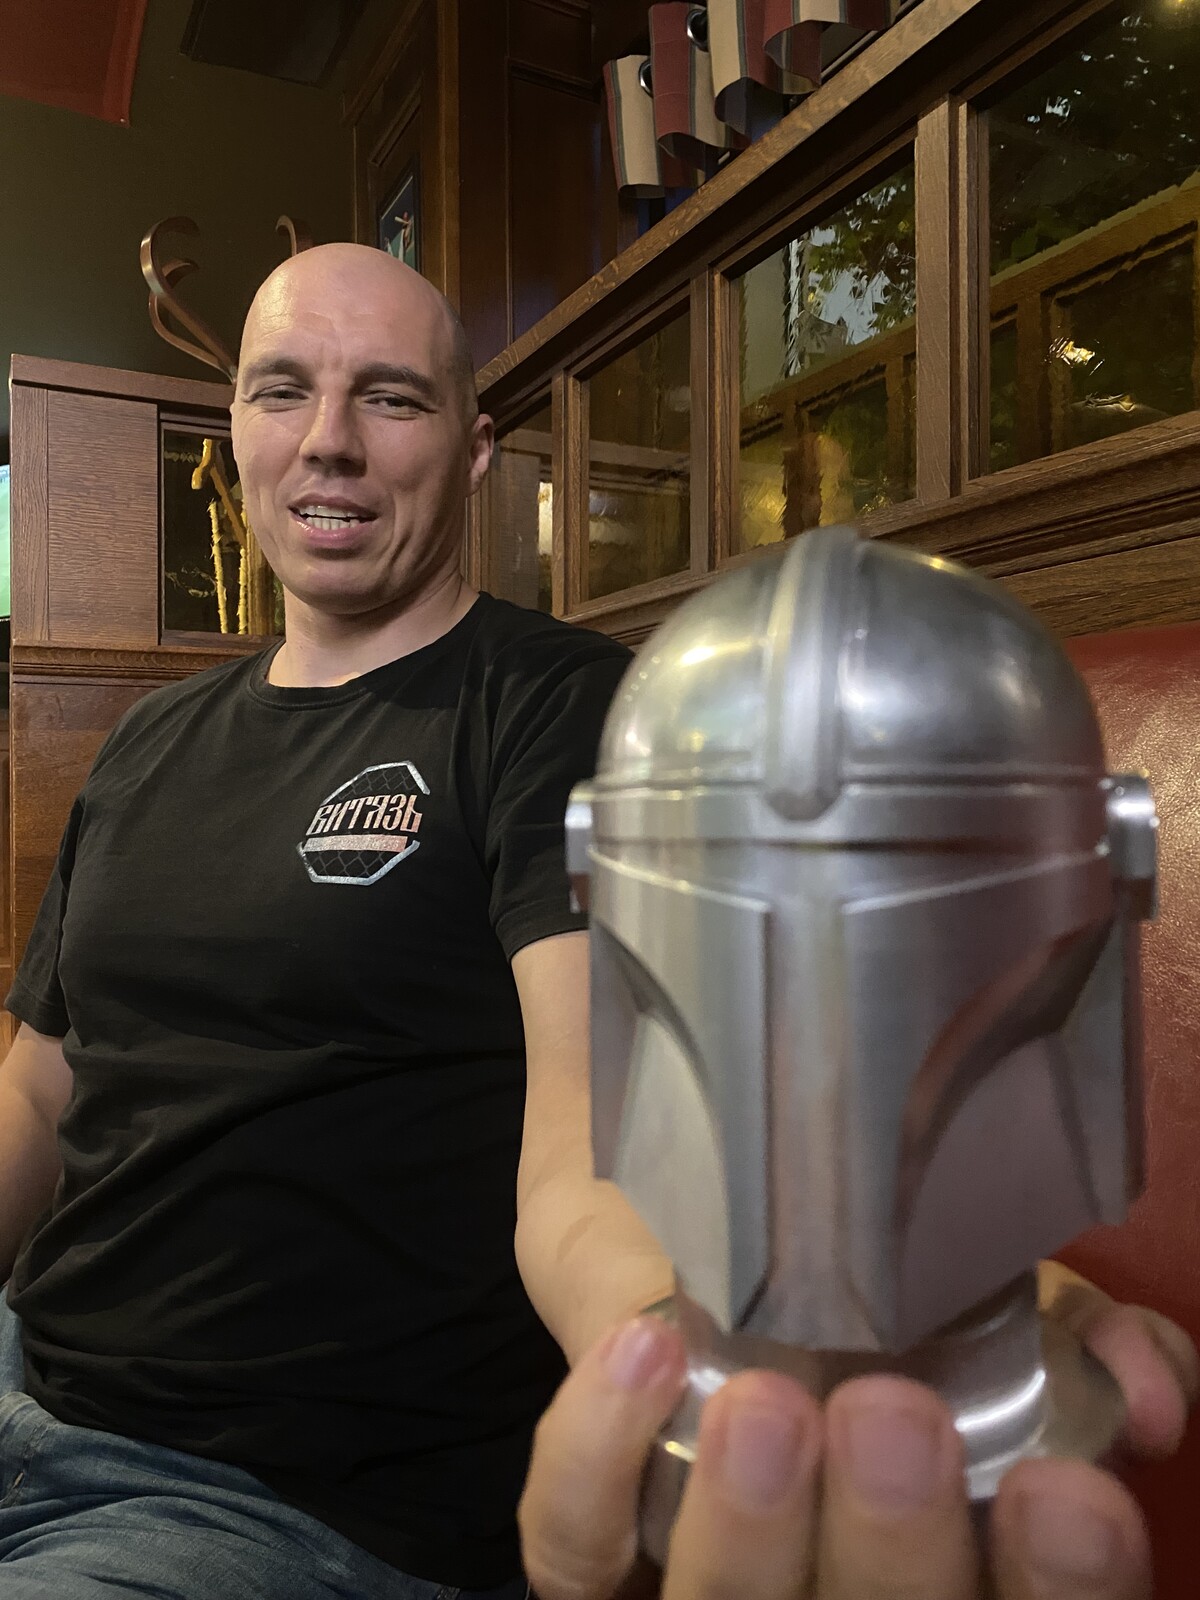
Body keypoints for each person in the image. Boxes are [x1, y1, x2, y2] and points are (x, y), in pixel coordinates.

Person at [0, 243, 1190, 1600]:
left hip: (254, 1504)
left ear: (474, 451)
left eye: (390, 397)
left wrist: (787, 1348)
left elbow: (596, 1141)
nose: (328, 440)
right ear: (238, 431)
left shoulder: (564, 708)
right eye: (284, 391)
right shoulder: (148, 742)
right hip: (24, 1359)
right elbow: (37, 1089)